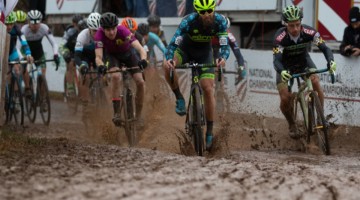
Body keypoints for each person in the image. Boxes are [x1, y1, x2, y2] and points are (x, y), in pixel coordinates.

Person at [165, 0, 229, 150]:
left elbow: (224, 45)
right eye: (202, 12)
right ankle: (179, 98)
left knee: (208, 88)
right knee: (166, 65)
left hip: (204, 54)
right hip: (185, 51)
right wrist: (170, 59)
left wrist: (223, 58)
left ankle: (210, 132)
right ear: (197, 12)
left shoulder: (220, 21)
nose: (206, 15)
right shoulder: (188, 21)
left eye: (209, 11)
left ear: (213, 8)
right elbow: (173, 43)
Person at [272, 5, 337, 139]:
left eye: (297, 24)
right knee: (285, 98)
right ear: (286, 25)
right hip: (285, 66)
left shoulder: (310, 32)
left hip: (303, 62)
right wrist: (282, 71)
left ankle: (320, 117)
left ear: (301, 22)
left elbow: (325, 48)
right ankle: (292, 125)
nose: (295, 29)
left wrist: (331, 61)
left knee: (315, 81)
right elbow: (276, 60)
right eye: (291, 26)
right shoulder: (279, 37)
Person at [94, 12, 148, 127]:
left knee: (140, 82)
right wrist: (101, 65)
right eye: (108, 30)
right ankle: (117, 113)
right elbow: (98, 57)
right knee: (115, 76)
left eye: (113, 28)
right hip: (112, 56)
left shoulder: (123, 31)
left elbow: (140, 49)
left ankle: (138, 116)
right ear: (102, 29)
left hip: (128, 55)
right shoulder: (98, 35)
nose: (112, 32)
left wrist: (143, 60)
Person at [75, 12, 101, 112]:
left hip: (98, 55)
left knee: (105, 75)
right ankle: (85, 102)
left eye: (99, 31)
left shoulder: (104, 34)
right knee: (84, 74)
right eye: (94, 31)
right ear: (89, 28)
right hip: (85, 56)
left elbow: (107, 54)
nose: (97, 33)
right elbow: (77, 56)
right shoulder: (82, 36)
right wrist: (81, 65)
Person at [21, 9, 59, 77]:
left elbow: (54, 43)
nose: (35, 25)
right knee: (25, 72)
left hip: (38, 51)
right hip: (26, 51)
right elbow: (18, 46)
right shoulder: (24, 30)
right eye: (32, 22)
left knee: (42, 73)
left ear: (41, 21)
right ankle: (27, 87)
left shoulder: (44, 28)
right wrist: (25, 56)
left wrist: (55, 54)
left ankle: (41, 84)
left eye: (37, 22)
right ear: (28, 22)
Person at [59, 14, 87, 99]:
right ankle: (70, 89)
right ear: (74, 24)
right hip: (70, 50)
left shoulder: (85, 30)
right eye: (76, 24)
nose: (78, 27)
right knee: (70, 65)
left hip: (81, 51)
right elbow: (62, 45)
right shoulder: (70, 31)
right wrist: (65, 53)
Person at [212, 16, 246, 84]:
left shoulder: (229, 35)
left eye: (224, 29)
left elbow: (237, 52)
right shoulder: (209, 33)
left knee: (219, 64)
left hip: (218, 49)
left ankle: (220, 87)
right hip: (210, 48)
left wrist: (241, 67)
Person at [5, 11, 33, 91]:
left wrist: (28, 54)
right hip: (2, 51)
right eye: (7, 24)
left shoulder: (16, 29)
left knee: (17, 70)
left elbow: (24, 42)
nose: (9, 27)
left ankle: (14, 94)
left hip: (11, 51)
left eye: (11, 24)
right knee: (5, 72)